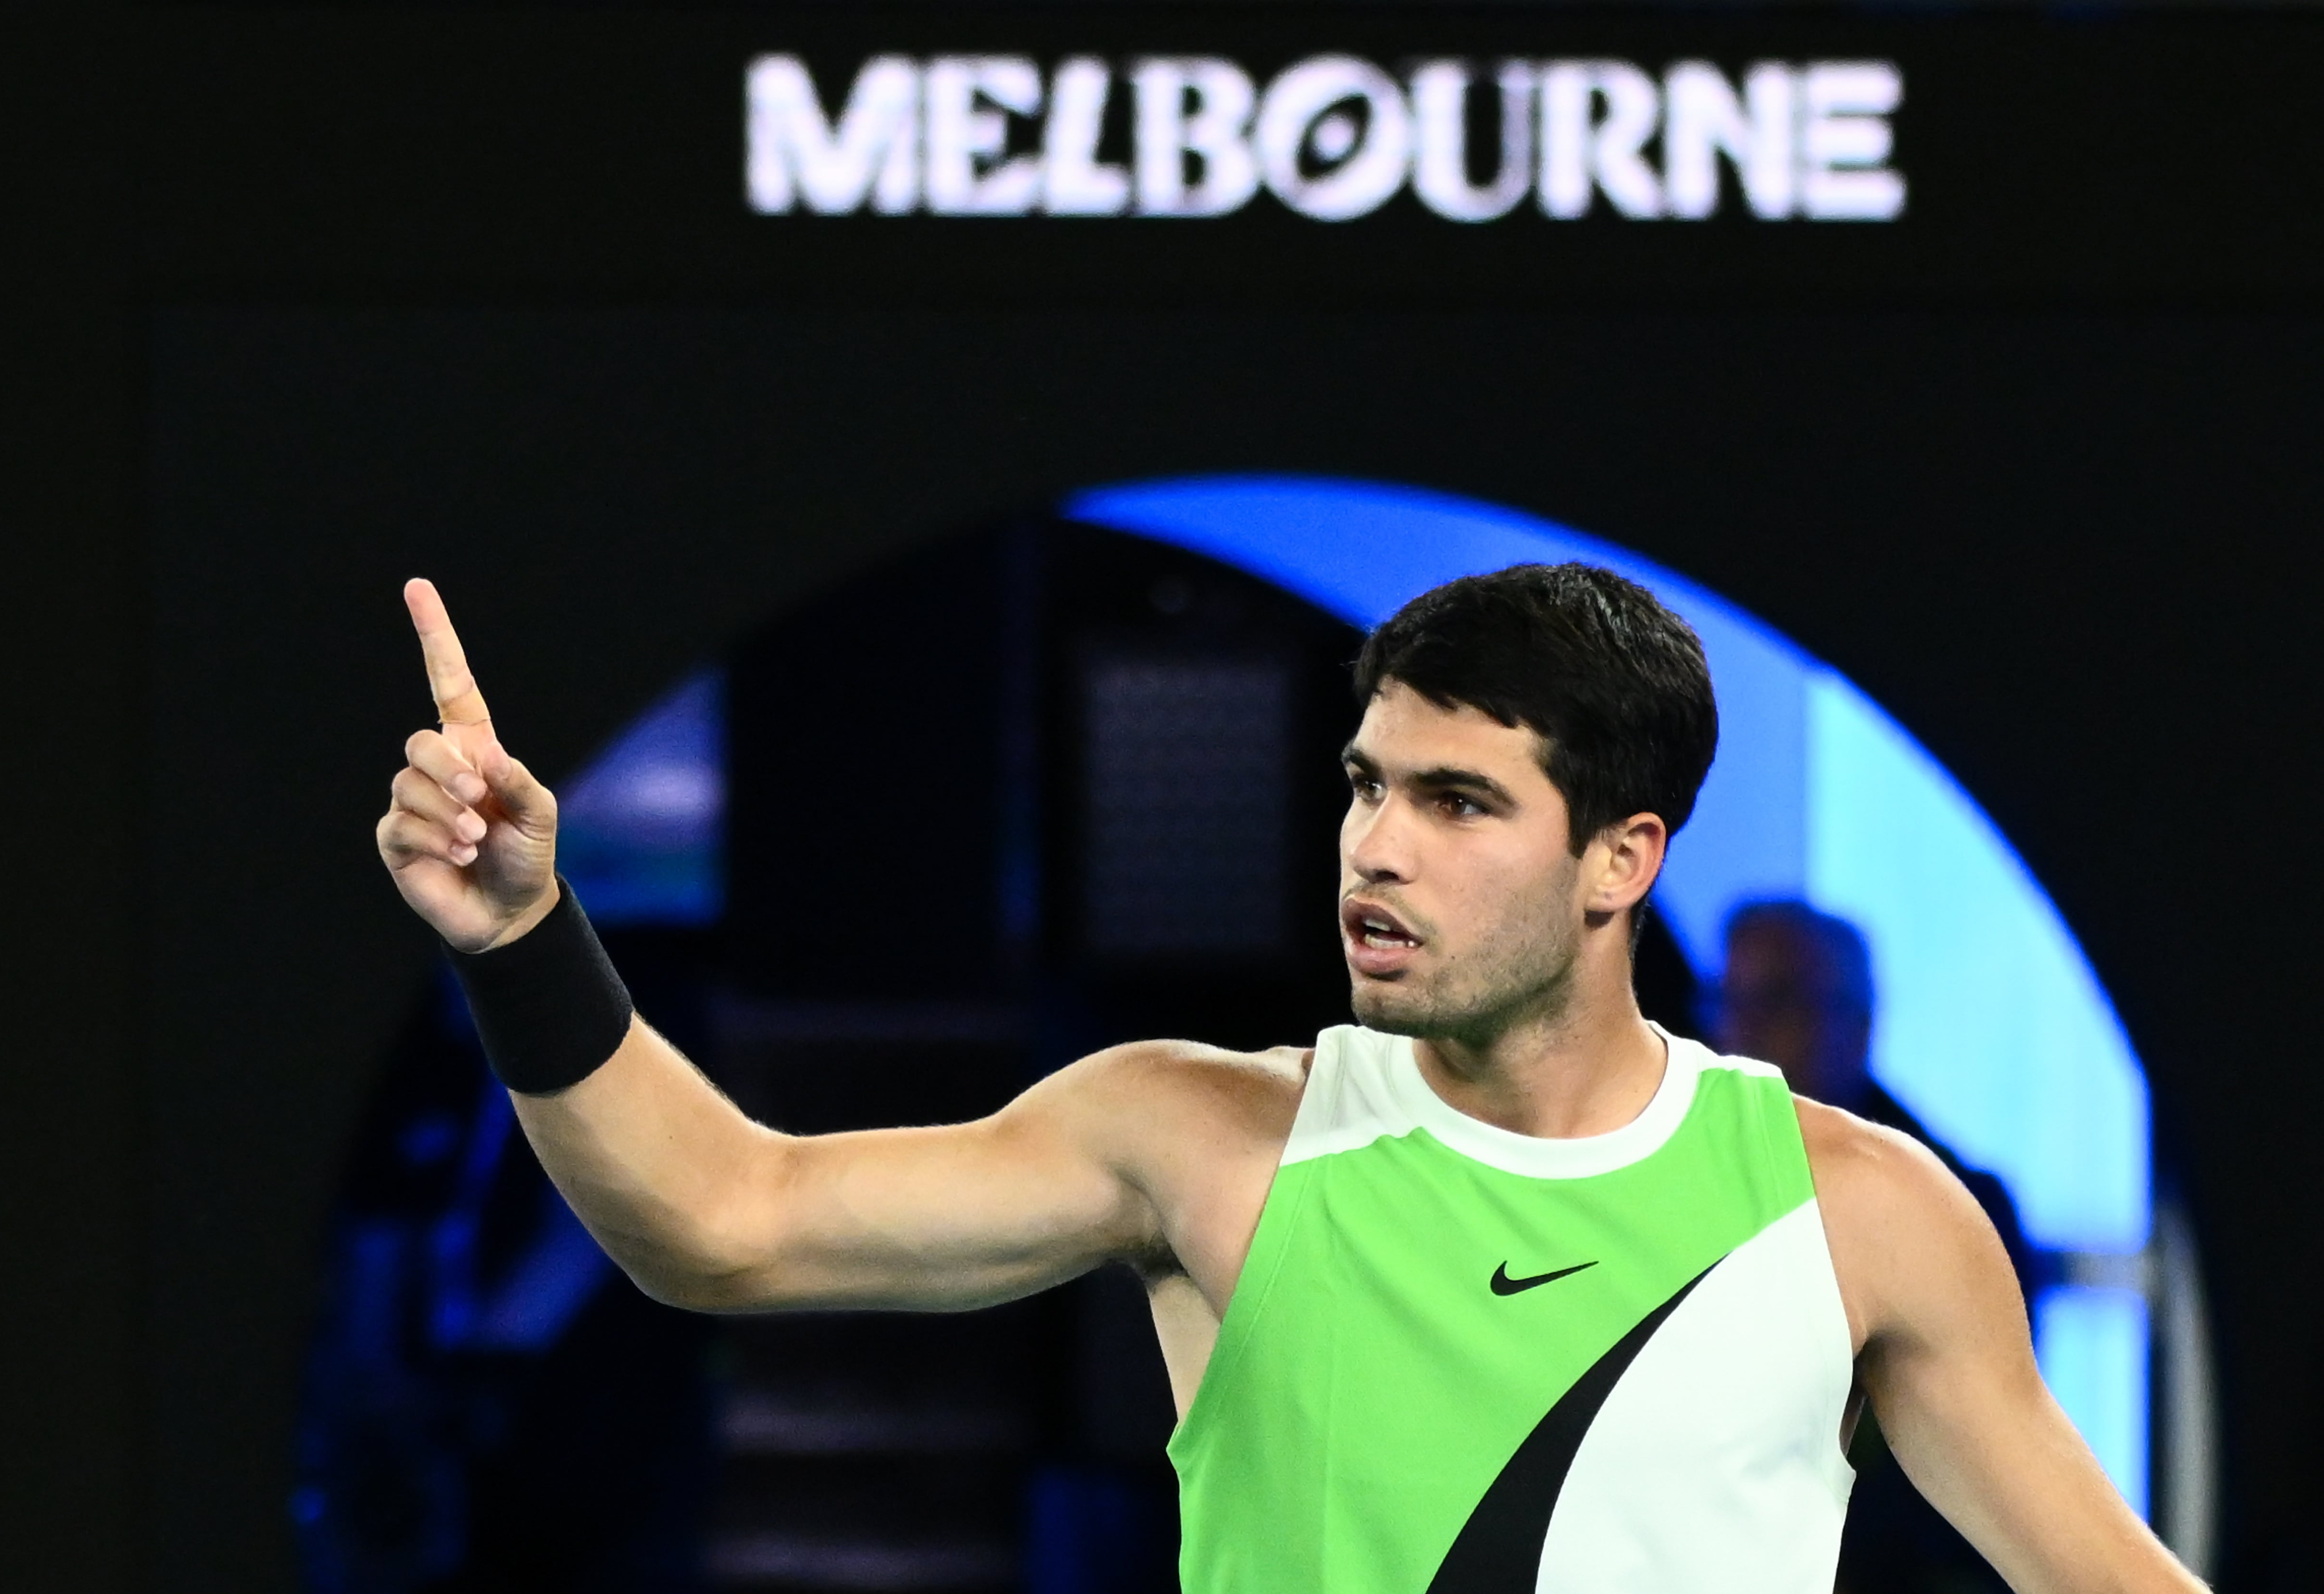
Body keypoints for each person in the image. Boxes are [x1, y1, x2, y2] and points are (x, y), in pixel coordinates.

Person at [376, 565, 2201, 1593]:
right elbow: (725, 1221)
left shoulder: (1858, 1210)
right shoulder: (1203, 1135)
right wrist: (526, 936)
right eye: (1364, 785)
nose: (1375, 850)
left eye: (1458, 802)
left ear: (1620, 861)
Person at [1716, 900, 2036, 1594]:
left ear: (1856, 1024)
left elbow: (1970, 1457)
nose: (1739, 1032)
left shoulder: (1955, 1209)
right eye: (1729, 1000)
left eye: (1775, 1001)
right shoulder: (1686, 1188)